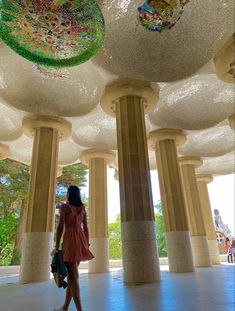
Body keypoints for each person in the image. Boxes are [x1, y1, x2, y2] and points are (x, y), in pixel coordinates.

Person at [53, 185, 94, 311]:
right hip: (81, 241)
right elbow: (85, 228)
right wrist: (86, 244)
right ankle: (65, 307)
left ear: (69, 194)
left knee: (74, 277)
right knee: (72, 276)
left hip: (70, 241)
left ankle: (79, 310)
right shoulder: (82, 209)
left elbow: (60, 226)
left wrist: (57, 245)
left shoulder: (65, 206)